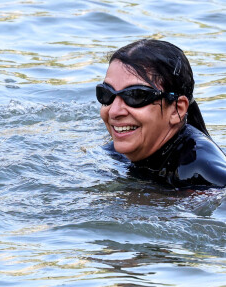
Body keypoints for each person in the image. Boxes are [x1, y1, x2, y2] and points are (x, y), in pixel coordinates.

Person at [96, 39, 226, 189]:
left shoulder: (203, 173)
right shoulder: (116, 152)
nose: (114, 111)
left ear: (177, 109)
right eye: (106, 94)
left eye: (136, 95)